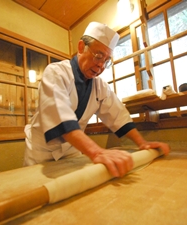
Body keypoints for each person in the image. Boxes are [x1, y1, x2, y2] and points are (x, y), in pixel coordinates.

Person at [24, 22, 170, 177]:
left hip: (72, 150)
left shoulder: (100, 87)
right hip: (41, 152)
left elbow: (118, 115)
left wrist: (142, 143)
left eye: (106, 61)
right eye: (98, 56)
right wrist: (96, 152)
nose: (101, 65)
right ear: (81, 47)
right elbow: (60, 116)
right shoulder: (56, 73)